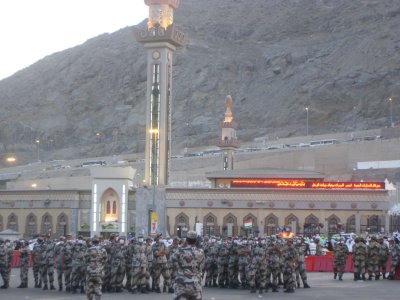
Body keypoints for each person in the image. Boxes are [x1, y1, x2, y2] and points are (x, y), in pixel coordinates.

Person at [171, 230, 205, 300]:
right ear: (195, 240)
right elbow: (202, 265)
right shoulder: (200, 252)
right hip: (195, 283)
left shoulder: (180, 250)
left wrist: (181, 246)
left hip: (181, 283)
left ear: (186, 240)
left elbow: (171, 260)